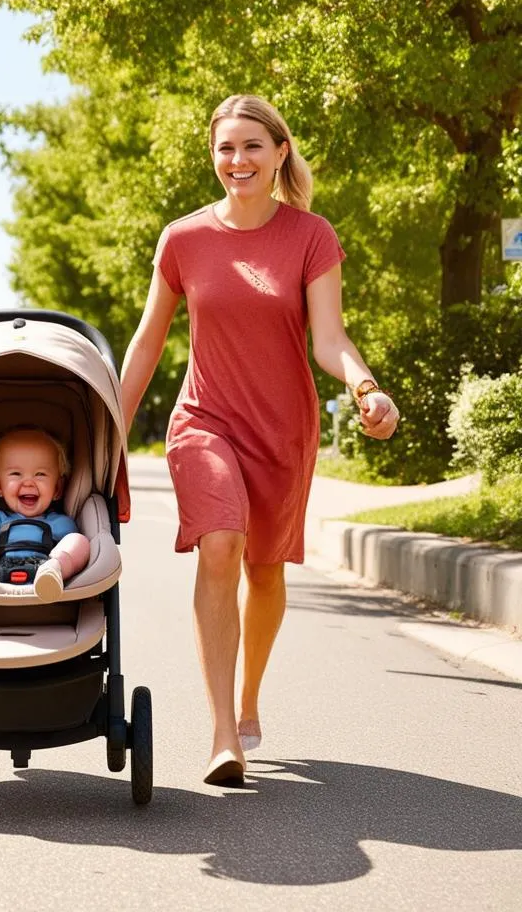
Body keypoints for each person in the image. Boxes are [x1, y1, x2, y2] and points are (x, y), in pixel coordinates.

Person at [120, 94, 400, 787]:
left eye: (251, 146)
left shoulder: (311, 236)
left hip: (283, 428)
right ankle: (223, 734)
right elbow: (149, 340)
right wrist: (110, 431)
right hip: (205, 419)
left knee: (265, 571)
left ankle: (247, 699)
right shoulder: (183, 239)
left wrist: (366, 387)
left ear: (279, 152)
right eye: (225, 148)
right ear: (212, 156)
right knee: (220, 545)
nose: (237, 160)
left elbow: (329, 338)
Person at [0, 427, 90, 603]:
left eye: (40, 474)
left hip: (45, 568)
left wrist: (61, 557)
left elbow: (71, 543)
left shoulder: (58, 522)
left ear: (57, 488)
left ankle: (55, 571)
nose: (28, 482)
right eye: (16, 474)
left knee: (79, 541)